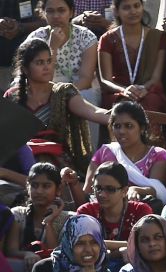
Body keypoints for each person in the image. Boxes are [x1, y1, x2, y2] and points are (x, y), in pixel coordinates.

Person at [8, 39, 106, 172]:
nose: (47, 67)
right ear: (25, 68)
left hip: (55, 160)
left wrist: (122, 116)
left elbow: (93, 112)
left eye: (49, 61)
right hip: (19, 160)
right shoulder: (12, 97)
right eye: (39, 63)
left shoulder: (63, 93)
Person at [78, 101, 166, 206]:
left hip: (142, 215)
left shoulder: (158, 155)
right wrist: (73, 183)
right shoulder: (105, 152)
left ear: (142, 128)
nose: (122, 131)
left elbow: (158, 190)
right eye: (117, 126)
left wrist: (136, 190)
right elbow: (88, 192)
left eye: (129, 126)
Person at [23, 0, 99, 111]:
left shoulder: (86, 37)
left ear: (71, 13)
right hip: (46, 89)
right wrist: (52, 47)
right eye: (50, 11)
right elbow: (38, 76)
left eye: (61, 10)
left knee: (84, 98)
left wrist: (62, 96)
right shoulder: (35, 38)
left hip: (81, 90)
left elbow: (86, 80)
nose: (56, 16)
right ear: (43, 13)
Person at [73, 162, 153, 266]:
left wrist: (101, 244)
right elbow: (81, 245)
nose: (102, 194)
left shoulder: (140, 210)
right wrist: (120, 251)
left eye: (110, 189)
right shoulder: (86, 212)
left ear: (124, 191)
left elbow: (145, 245)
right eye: (98, 188)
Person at [97, 0, 166, 111]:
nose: (133, 11)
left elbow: (156, 78)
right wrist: (124, 90)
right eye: (126, 8)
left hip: (148, 91)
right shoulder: (107, 39)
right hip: (119, 92)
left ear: (142, 7)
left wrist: (144, 88)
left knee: (150, 101)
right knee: (122, 105)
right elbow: (106, 81)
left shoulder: (158, 37)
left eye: (136, 6)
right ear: (116, 11)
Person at [6, 164, 69, 271]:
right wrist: (27, 254)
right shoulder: (17, 215)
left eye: (46, 186)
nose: (39, 191)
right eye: (34, 185)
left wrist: (48, 223)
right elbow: (11, 250)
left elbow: (55, 254)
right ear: (28, 187)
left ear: (58, 190)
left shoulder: (66, 219)